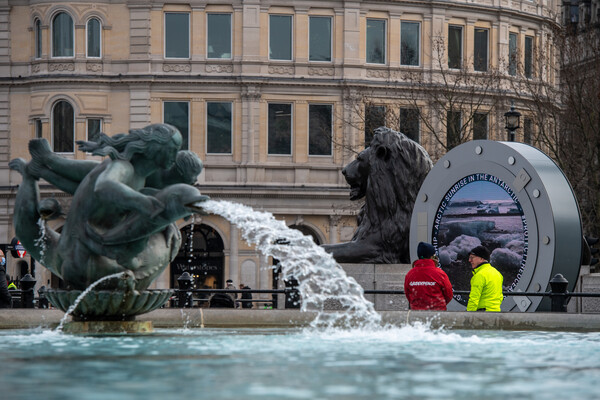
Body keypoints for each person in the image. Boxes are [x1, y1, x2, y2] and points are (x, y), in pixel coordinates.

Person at [404, 242, 453, 310]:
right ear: (432, 256)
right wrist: (438, 305)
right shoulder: (439, 273)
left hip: (416, 315)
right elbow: (449, 294)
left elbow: (408, 294)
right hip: (437, 314)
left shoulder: (410, 274)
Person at [466, 245, 504, 312]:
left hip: (483, 314)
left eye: (472, 257)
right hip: (496, 312)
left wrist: (468, 316)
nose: (469, 260)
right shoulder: (497, 273)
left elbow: (474, 299)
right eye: (469, 257)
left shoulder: (480, 275)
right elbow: (500, 296)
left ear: (481, 259)